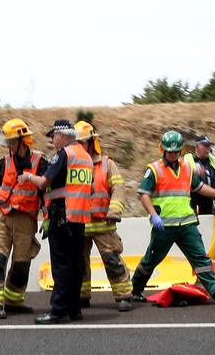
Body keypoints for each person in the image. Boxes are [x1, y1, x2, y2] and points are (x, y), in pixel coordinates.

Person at [132, 130, 215, 304]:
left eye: (176, 151)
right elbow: (143, 194)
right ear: (162, 149)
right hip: (164, 225)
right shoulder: (154, 169)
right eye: (169, 151)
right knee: (151, 259)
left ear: (180, 151)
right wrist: (153, 215)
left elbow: (199, 187)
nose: (172, 155)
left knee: (200, 257)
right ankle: (135, 289)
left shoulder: (186, 168)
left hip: (187, 223)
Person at [19, 119, 93, 324]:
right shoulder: (85, 157)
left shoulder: (64, 155)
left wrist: (28, 177)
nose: (52, 140)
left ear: (62, 135)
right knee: (76, 264)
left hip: (61, 215)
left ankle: (58, 310)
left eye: (53, 136)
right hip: (79, 218)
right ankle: (74, 308)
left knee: (61, 265)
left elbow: (43, 182)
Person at [0, 118, 48, 319]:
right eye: (6, 142)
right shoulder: (3, 163)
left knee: (22, 264)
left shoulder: (40, 163)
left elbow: (46, 192)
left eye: (11, 141)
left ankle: (13, 301)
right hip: (2, 216)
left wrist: (47, 216)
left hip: (25, 220)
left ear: (22, 140)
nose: (8, 145)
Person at [73, 121, 133, 312]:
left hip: (103, 223)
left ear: (92, 142)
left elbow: (118, 188)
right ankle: (82, 296)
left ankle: (123, 295)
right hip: (80, 223)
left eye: (83, 142)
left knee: (112, 260)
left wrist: (114, 211)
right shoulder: (71, 164)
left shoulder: (107, 164)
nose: (80, 147)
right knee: (79, 262)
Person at [184, 135, 215, 214]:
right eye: (205, 146)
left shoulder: (213, 160)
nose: (208, 148)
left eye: (209, 146)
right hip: (194, 198)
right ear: (197, 147)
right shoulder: (188, 158)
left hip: (211, 198)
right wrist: (195, 172)